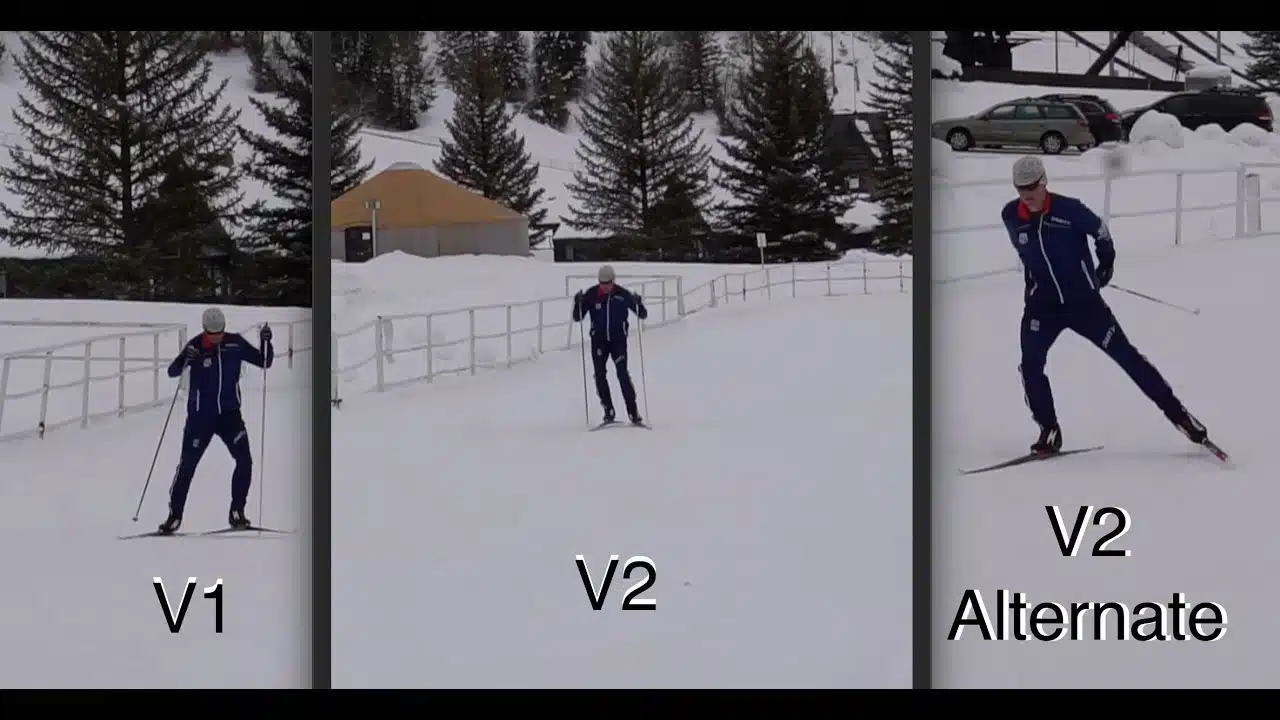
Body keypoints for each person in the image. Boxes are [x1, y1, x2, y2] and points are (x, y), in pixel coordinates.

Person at [1001, 155, 1208, 454]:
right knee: (1031, 366)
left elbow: (1100, 231)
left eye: (1033, 186)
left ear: (1044, 182)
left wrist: (1105, 262)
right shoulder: (1011, 216)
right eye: (1021, 188)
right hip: (1042, 307)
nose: (1027, 194)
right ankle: (1049, 429)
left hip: (1085, 305)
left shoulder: (1069, 210)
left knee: (1128, 358)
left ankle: (1181, 417)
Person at [158, 307, 274, 534]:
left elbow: (263, 361)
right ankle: (174, 516)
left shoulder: (235, 344)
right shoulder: (196, 346)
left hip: (229, 415)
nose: (216, 337)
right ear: (204, 330)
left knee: (245, 461)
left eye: (219, 332)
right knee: (187, 466)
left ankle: (237, 511)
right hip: (201, 418)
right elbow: (172, 371)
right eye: (212, 334)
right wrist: (185, 359)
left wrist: (266, 342)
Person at [572, 264, 649, 425]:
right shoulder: (592, 295)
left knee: (622, 374)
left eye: (608, 283)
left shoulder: (622, 295)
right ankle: (608, 410)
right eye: (602, 283)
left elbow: (642, 314)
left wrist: (638, 303)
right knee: (600, 375)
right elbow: (578, 317)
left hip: (618, 341)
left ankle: (633, 412)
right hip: (599, 341)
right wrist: (577, 303)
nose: (605, 287)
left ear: (613, 281)